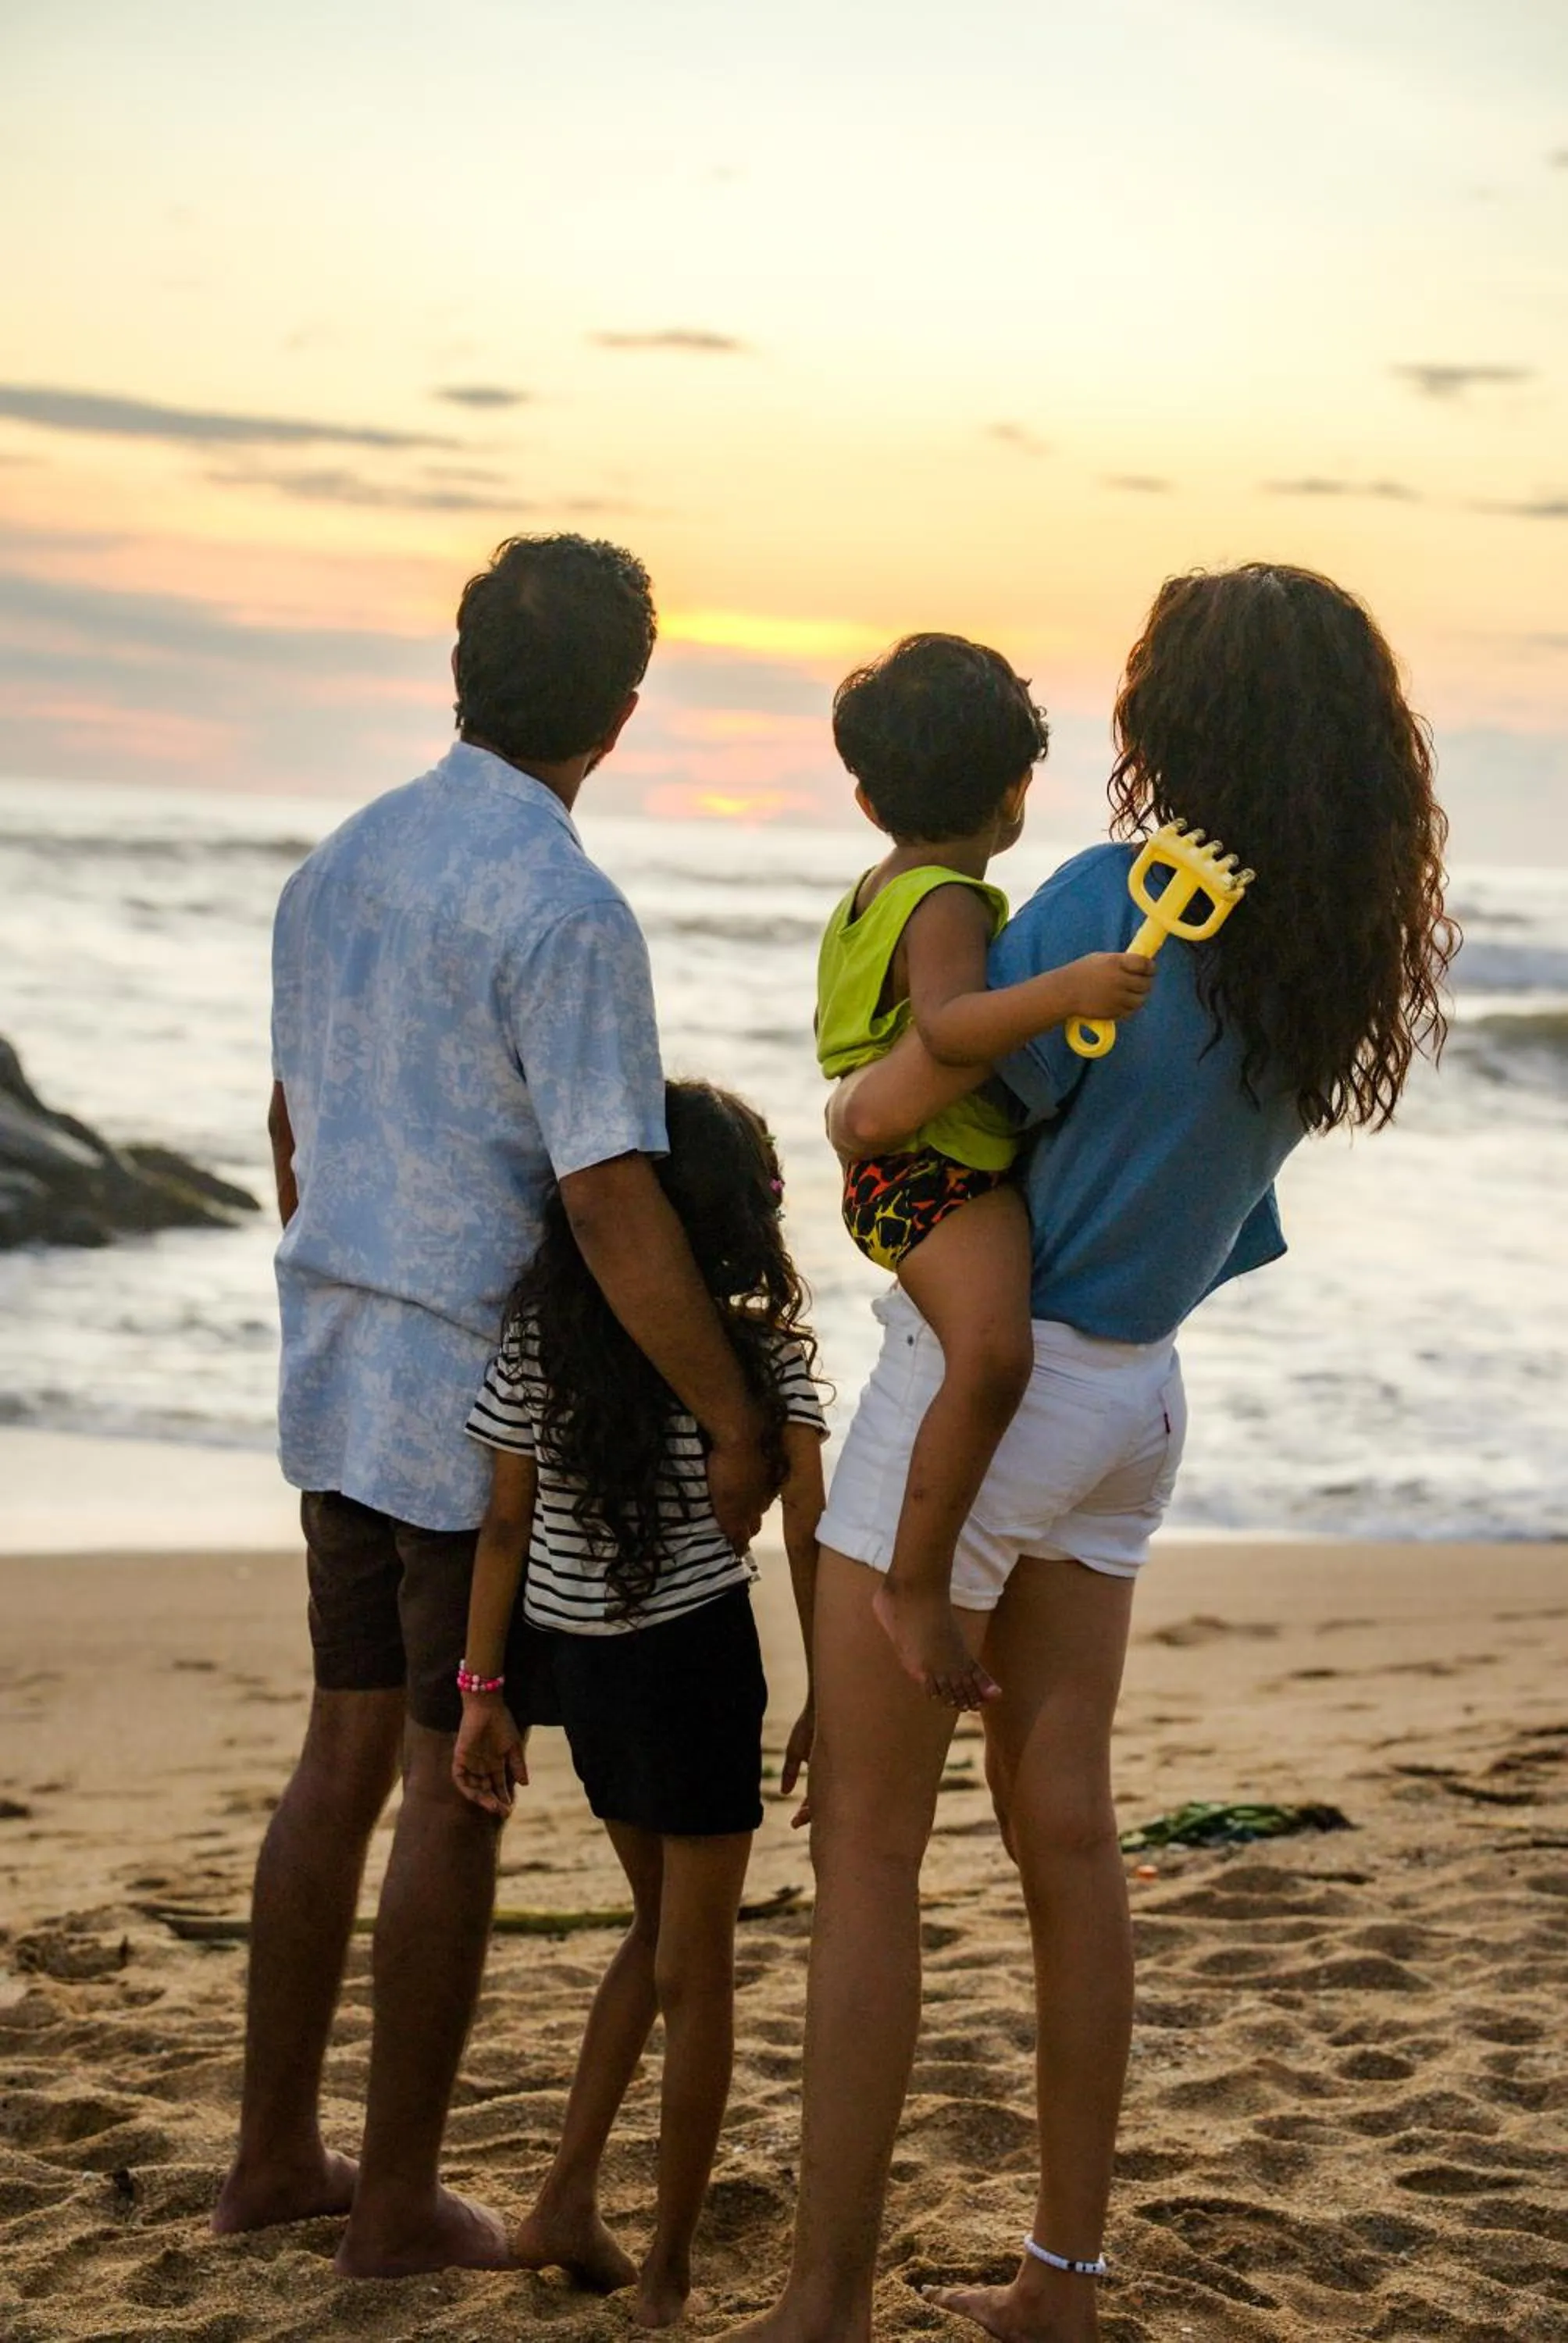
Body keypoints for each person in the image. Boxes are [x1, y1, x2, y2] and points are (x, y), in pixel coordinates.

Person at [735, 564, 1457, 2343]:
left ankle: (823, 2304)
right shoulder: (1323, 948)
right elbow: (1214, 1206)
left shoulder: (1115, 898)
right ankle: (1060, 2280)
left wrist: (843, 1106)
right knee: (1066, 1834)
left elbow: (898, 1107)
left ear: (1177, 717)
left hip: (984, 1398)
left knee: (868, 1860)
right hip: (1132, 1403)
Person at [215, 536, 775, 2279]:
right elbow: (608, 1198)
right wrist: (729, 1415)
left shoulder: (337, 866)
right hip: (474, 1416)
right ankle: (391, 2205)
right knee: (451, 1785)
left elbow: (292, 1131)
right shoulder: (565, 909)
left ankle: (272, 2161)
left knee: (335, 1761)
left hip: (334, 1372)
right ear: (622, 709)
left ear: (462, 673)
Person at [452, 1079, 827, 2327]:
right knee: (698, 1965)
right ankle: (667, 2269)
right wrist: (829, 1690)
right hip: (696, 1661)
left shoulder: (543, 1339)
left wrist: (484, 1693)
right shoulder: (756, 1355)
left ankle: (565, 2199)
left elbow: (503, 1528)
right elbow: (807, 1531)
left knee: (656, 1928)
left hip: (580, 1665)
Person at [817, 634, 1152, 1708]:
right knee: (997, 1358)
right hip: (934, 1177)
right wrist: (1069, 991)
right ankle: (915, 1585)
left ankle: (917, 1577)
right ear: (1016, 794)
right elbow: (952, 1029)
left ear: (869, 800)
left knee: (992, 1356)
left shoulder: (872, 892)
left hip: (903, 1174)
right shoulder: (949, 901)